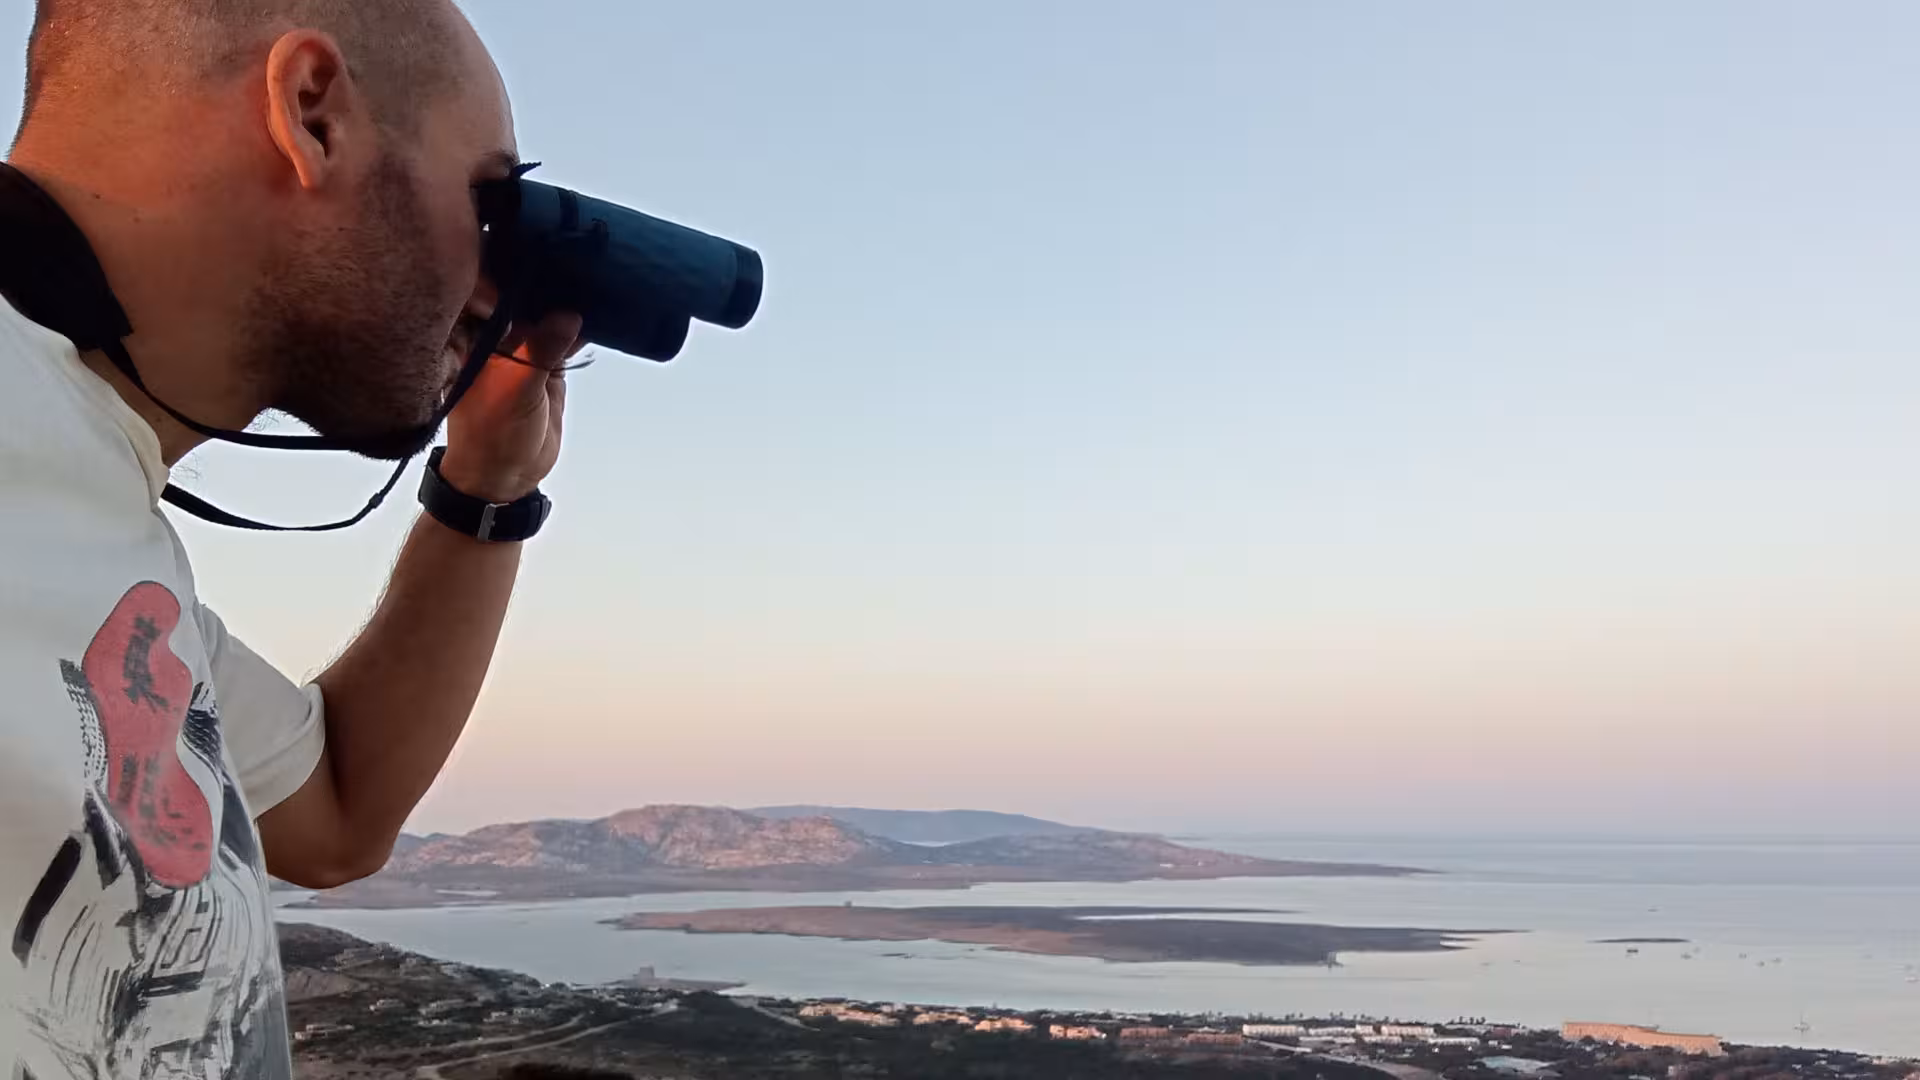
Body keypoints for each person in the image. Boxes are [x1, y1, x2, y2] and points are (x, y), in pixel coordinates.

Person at [0, 1, 584, 1075]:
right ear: (312, 113)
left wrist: (486, 488)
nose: (497, 284)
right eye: (491, 200)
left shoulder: (108, 525)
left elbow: (337, 812)